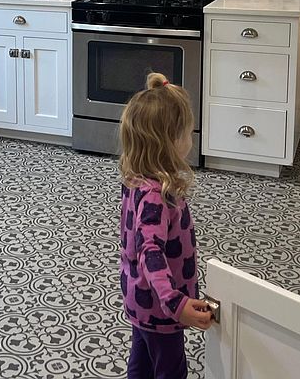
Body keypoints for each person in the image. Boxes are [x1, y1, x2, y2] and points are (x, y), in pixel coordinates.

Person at [119, 72, 213, 379]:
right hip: (160, 307)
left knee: (142, 362)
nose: (191, 138)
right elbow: (151, 253)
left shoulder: (136, 179)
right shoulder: (157, 197)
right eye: (187, 133)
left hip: (139, 298)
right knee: (171, 370)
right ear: (170, 143)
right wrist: (176, 303)